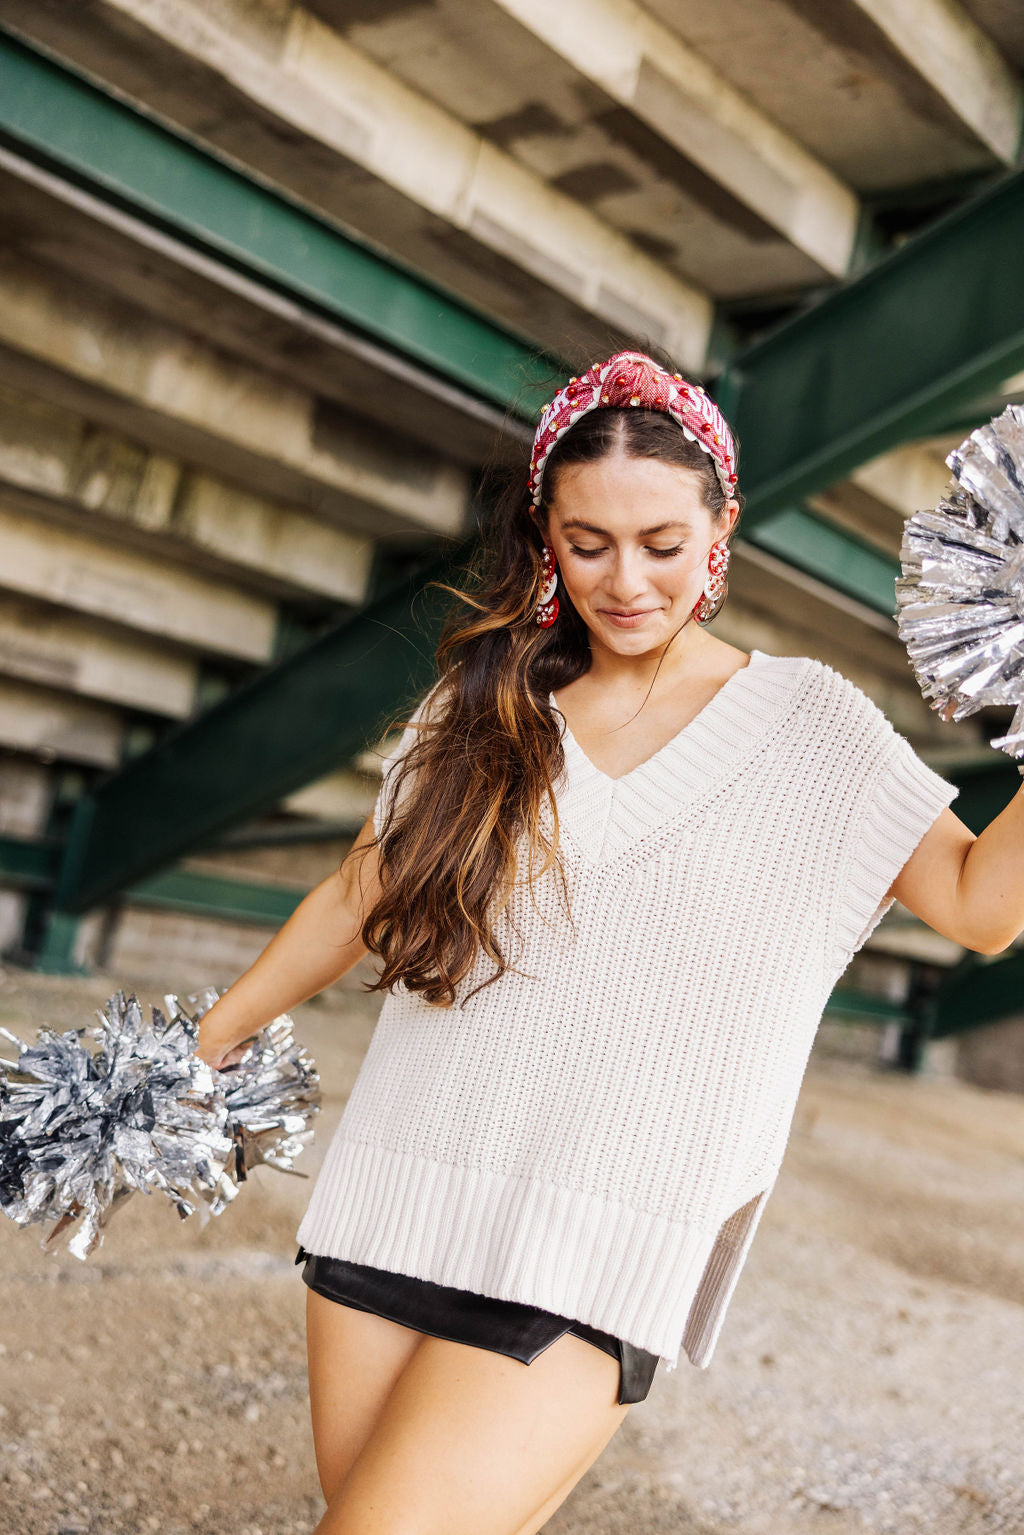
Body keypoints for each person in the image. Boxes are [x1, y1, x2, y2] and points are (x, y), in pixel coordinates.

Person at [195, 349, 1020, 1535]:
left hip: (598, 1239)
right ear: (545, 536)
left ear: (721, 525)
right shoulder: (485, 702)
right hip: (391, 1193)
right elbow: (355, 892)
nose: (626, 581)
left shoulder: (811, 724)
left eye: (661, 544)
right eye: (587, 545)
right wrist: (198, 1050)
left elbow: (983, 904)